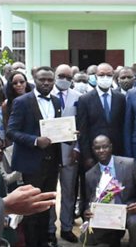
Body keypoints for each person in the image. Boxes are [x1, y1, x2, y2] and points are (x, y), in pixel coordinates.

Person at [6, 66, 63, 247]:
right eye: (42, 80)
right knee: (30, 207)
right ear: (34, 81)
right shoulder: (22, 102)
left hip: (51, 162)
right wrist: (35, 141)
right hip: (31, 163)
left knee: (46, 205)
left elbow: (56, 130)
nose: (46, 83)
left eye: (49, 80)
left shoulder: (55, 101)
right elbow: (11, 131)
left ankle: (43, 241)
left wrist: (69, 135)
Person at [82, 135, 136, 247]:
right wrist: (87, 211)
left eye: (105, 147)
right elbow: (89, 200)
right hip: (106, 214)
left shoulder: (129, 164)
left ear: (111, 147)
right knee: (86, 238)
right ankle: (112, 239)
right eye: (98, 148)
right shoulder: (89, 175)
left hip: (129, 209)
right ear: (93, 150)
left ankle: (134, 243)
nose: (102, 151)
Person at [52, 64, 84, 243]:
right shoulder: (46, 96)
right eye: (60, 76)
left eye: (68, 77)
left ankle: (66, 227)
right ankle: (50, 229)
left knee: (69, 192)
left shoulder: (78, 97)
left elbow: (81, 126)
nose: (64, 80)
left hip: (70, 152)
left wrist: (77, 148)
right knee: (49, 193)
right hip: (48, 152)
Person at [78, 63, 127, 168]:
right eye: (101, 75)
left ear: (113, 76)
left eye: (108, 75)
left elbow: (123, 125)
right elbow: (83, 130)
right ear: (96, 77)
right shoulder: (85, 99)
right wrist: (87, 156)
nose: (105, 78)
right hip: (95, 152)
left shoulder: (120, 98)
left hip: (117, 151)